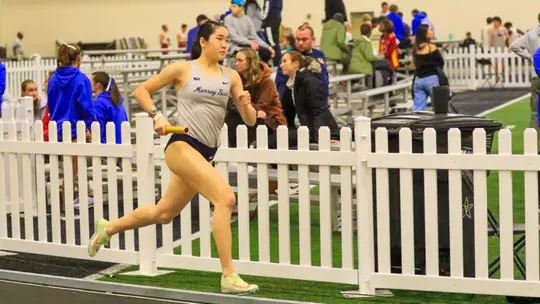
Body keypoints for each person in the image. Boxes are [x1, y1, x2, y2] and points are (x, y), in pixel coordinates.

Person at [87, 20, 260, 295]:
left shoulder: (232, 76)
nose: (225, 44)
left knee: (163, 213)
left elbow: (250, 121)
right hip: (181, 145)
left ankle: (108, 229)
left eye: (227, 39)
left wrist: (246, 105)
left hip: (206, 153)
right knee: (226, 198)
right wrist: (157, 115)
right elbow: (141, 90)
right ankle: (228, 275)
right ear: (203, 42)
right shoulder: (183, 69)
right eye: (219, 38)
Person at [48, 44, 96, 213]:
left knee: (65, 168)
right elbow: (86, 107)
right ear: (78, 59)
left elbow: (51, 104)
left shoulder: (53, 79)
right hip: (75, 129)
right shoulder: (81, 79)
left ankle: (67, 204)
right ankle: (66, 207)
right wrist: (91, 125)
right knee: (72, 171)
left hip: (57, 128)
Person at [275, 50, 340, 145]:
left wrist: (320, 137)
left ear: (295, 64)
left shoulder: (310, 81)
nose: (281, 65)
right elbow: (287, 112)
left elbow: (318, 111)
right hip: (300, 129)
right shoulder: (290, 84)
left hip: (313, 131)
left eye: (284, 61)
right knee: (273, 139)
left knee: (274, 141)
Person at [226, 48, 286, 147]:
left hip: (269, 120)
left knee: (250, 121)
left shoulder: (266, 82)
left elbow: (263, 107)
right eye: (236, 60)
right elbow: (231, 102)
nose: (236, 63)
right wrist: (253, 111)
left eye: (240, 60)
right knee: (231, 116)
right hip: (249, 116)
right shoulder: (237, 80)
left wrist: (246, 107)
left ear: (250, 62)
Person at [275, 24, 329, 105]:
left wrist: (325, 96)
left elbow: (324, 77)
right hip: (291, 101)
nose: (300, 43)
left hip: (315, 101)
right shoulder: (288, 55)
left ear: (313, 39)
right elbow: (280, 81)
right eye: (298, 39)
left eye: (304, 39)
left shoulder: (319, 55)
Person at [510, 18, 540, 146]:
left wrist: (530, 57)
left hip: (536, 76)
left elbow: (514, 46)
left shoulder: (532, 34)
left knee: (535, 113)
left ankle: (534, 145)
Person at [412, 24, 445, 111]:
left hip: (418, 79)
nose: (432, 32)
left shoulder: (415, 49)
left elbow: (414, 64)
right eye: (430, 30)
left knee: (418, 109)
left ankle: (416, 124)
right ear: (425, 33)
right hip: (431, 79)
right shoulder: (432, 47)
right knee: (438, 108)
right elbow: (441, 62)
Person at [90, 71, 128, 144]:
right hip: (122, 146)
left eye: (89, 82)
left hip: (108, 149)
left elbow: (98, 131)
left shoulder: (99, 103)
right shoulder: (116, 101)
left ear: (97, 85)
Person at [260, 0, 283, 66]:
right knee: (274, 42)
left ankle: (276, 64)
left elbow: (267, 10)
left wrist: (261, 19)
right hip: (275, 20)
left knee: (271, 43)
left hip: (269, 22)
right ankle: (276, 63)